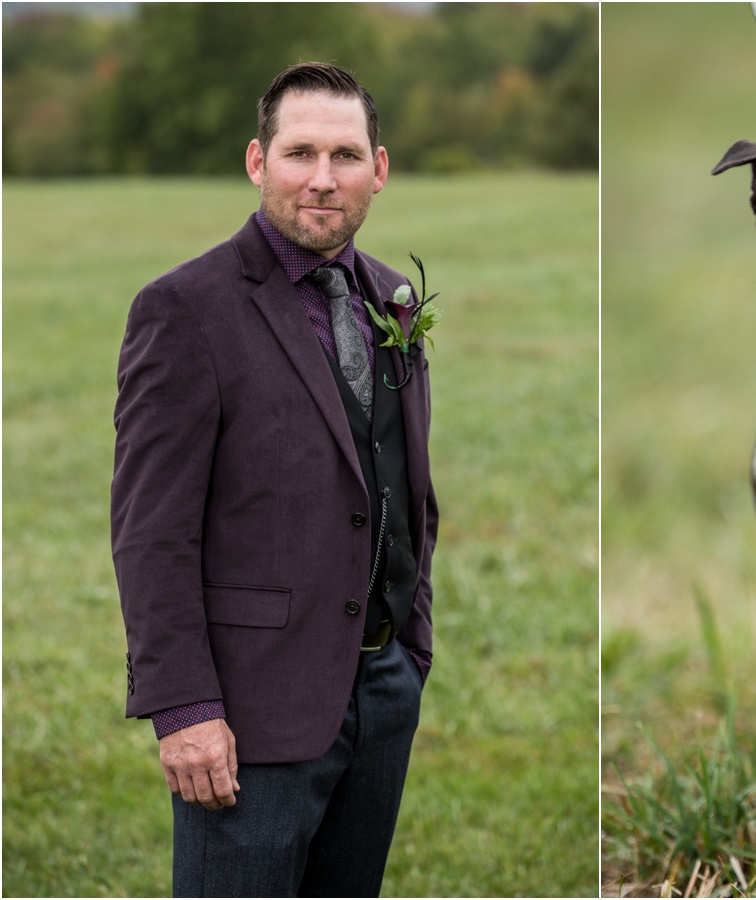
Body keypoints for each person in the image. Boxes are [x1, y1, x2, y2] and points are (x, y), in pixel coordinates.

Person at [111, 62, 437, 897]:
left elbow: (399, 483)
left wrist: (411, 644)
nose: (323, 180)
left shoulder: (393, 298)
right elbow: (152, 532)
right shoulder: (184, 309)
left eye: (345, 155)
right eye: (300, 154)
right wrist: (182, 708)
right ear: (258, 162)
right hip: (248, 707)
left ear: (380, 169)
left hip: (381, 690)